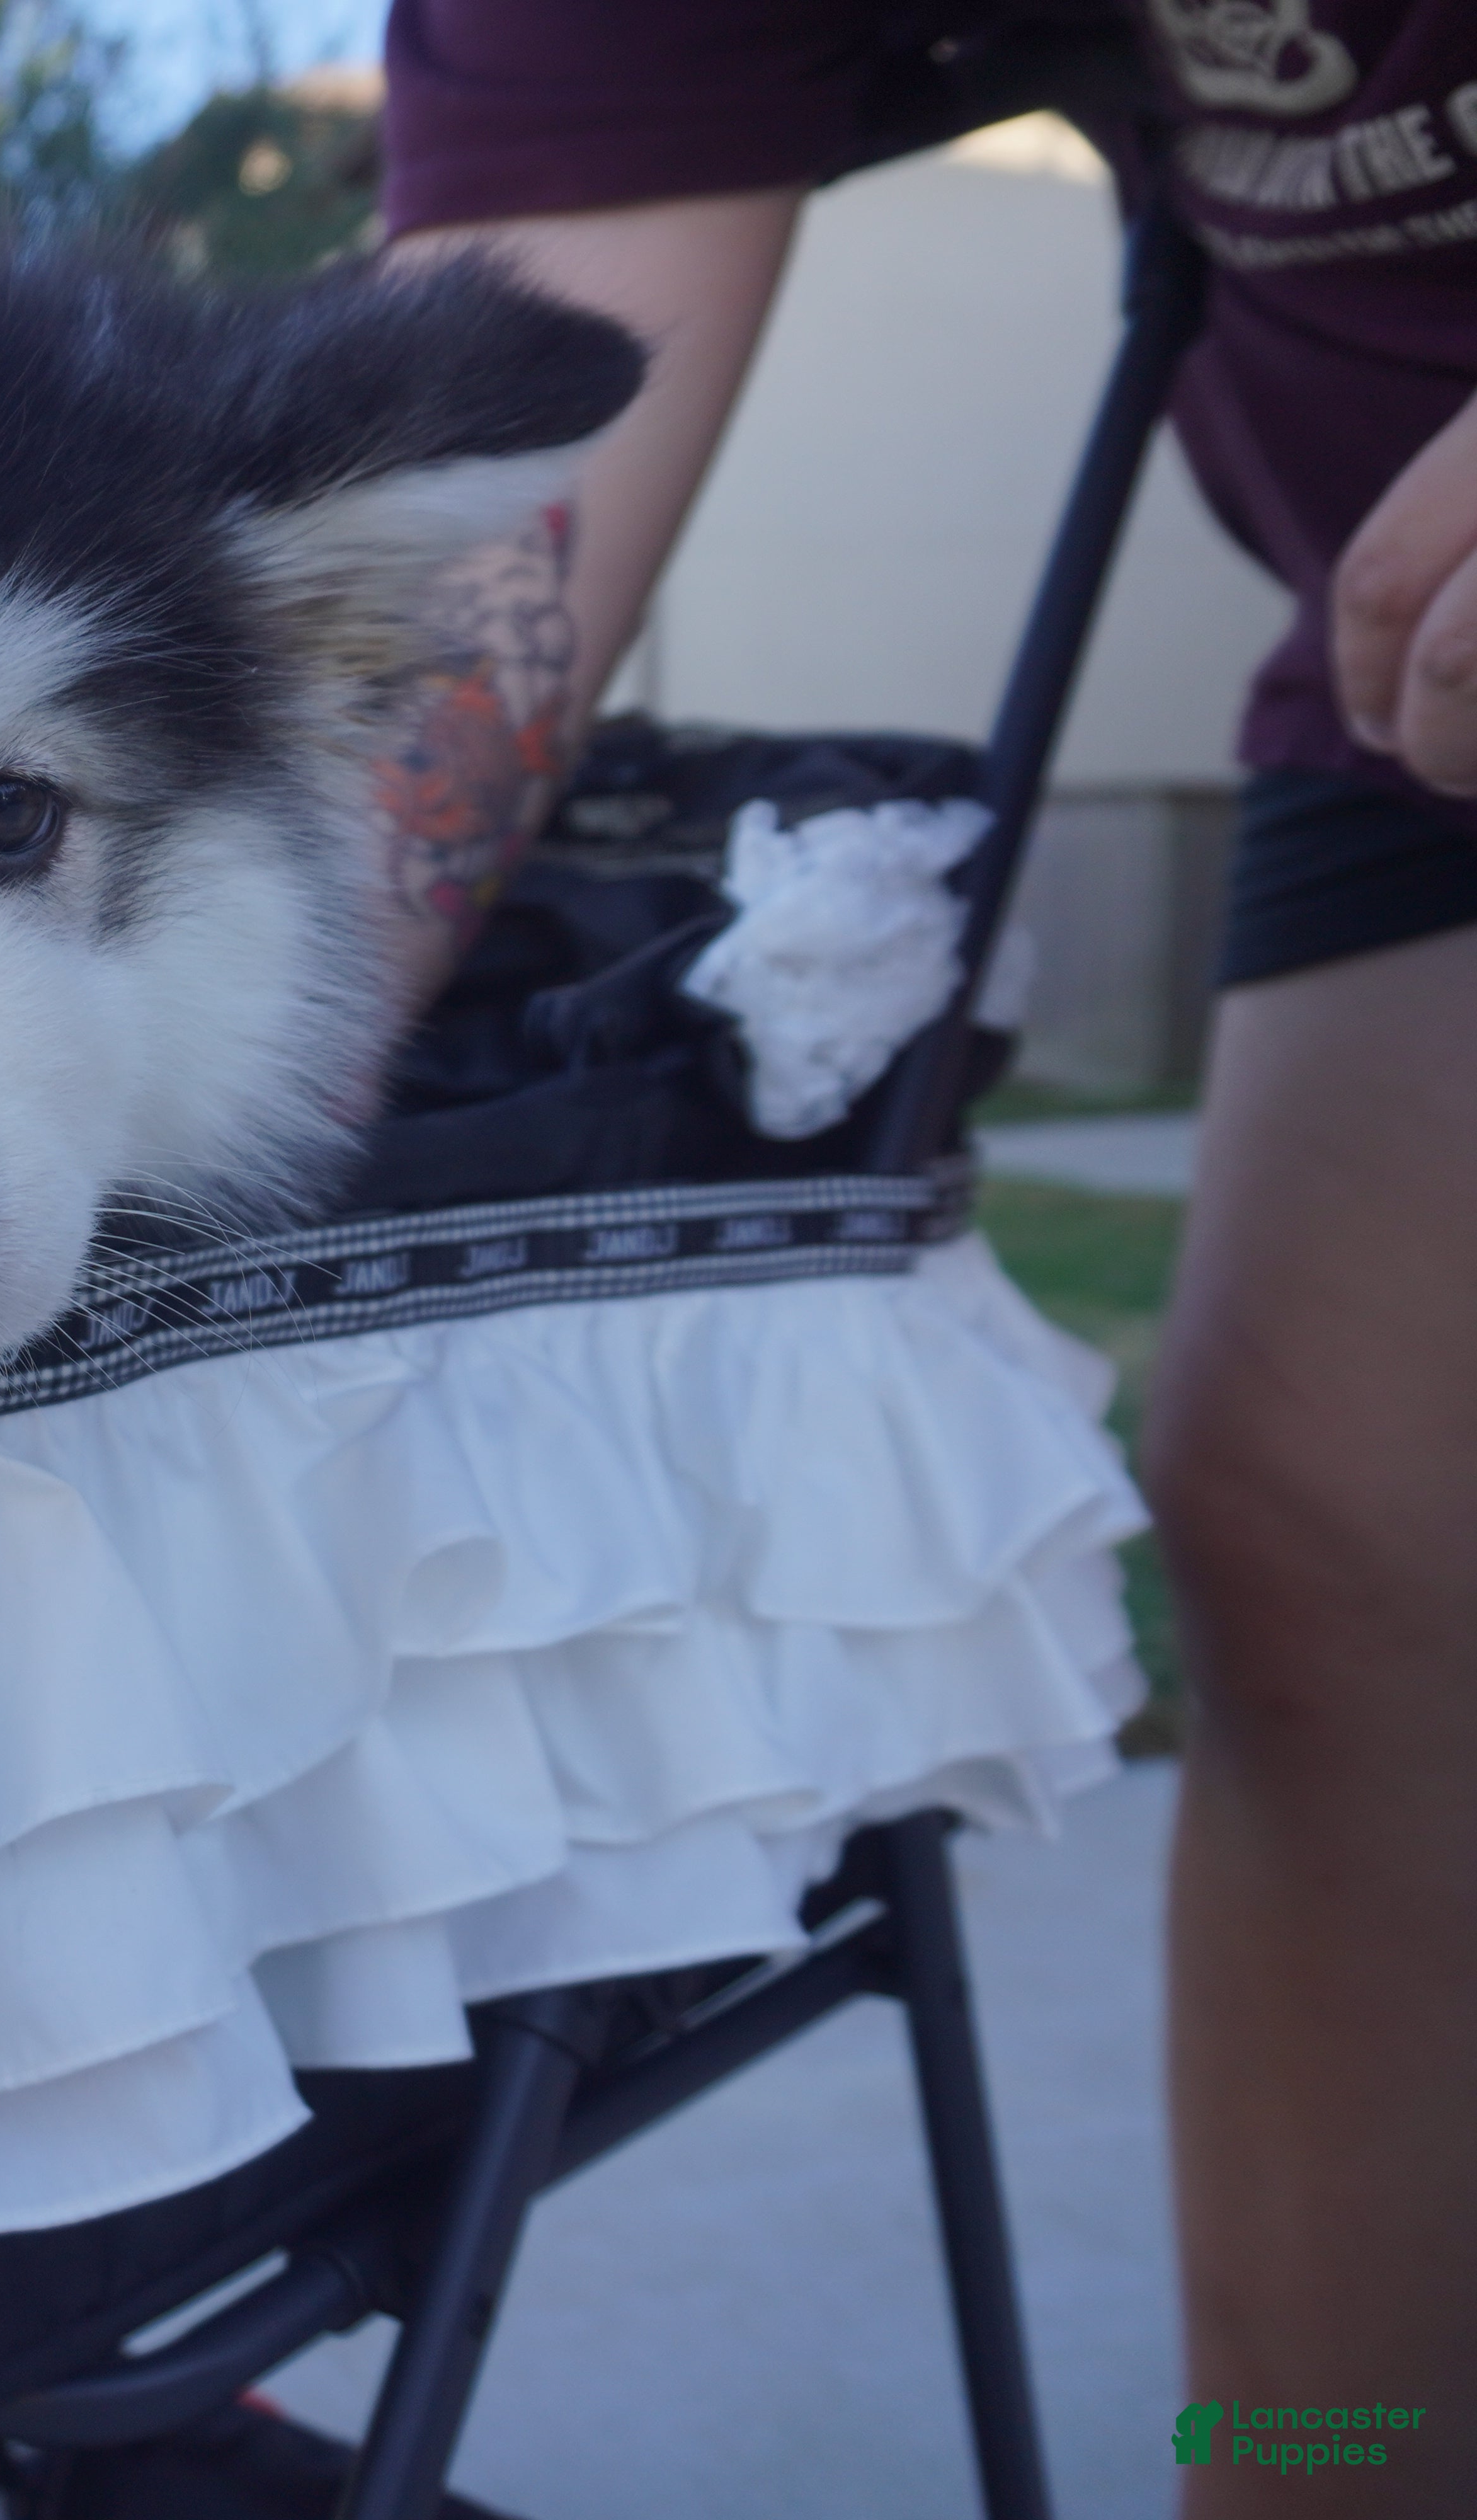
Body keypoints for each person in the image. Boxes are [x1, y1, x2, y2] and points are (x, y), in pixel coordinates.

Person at [367, 6, 1477, 2506]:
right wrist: (174, 1092)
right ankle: (1315, 2465)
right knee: (1317, 1525)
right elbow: (460, 558)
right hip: (1420, 670)